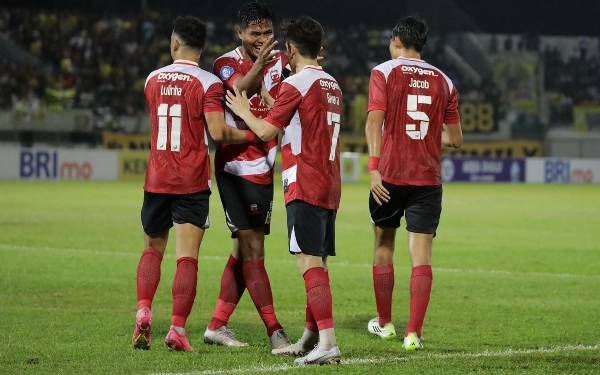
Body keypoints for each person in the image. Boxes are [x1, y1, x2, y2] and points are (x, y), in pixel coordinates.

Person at [132, 16, 258, 353]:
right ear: (202, 48)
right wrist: (253, 132)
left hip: (156, 178)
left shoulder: (152, 79)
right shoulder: (209, 83)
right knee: (186, 259)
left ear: (174, 44)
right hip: (190, 180)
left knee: (151, 250)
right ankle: (176, 329)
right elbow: (218, 133)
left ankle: (144, 310)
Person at [225, 16, 342, 366]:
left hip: (304, 180)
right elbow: (303, 119)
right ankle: (311, 338)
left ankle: (329, 343)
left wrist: (245, 110)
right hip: (330, 181)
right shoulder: (331, 83)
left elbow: (264, 132)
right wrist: (271, 97)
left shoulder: (296, 83)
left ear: (290, 49)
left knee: (308, 261)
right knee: (318, 259)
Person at [365, 15, 463, 351]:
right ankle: (413, 334)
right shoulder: (445, 81)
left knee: (383, 246)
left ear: (396, 41)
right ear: (422, 44)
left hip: (390, 176)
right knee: (421, 257)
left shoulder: (384, 72)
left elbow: (373, 122)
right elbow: (456, 139)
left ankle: (385, 323)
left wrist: (373, 169)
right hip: (427, 179)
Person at [203, 1, 291, 350]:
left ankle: (216, 326)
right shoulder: (225, 64)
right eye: (255, 33)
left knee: (244, 250)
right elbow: (243, 90)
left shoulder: (283, 61)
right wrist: (261, 65)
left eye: (268, 32)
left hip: (266, 167)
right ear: (240, 33)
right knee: (254, 249)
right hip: (236, 168)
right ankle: (276, 333)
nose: (263, 38)